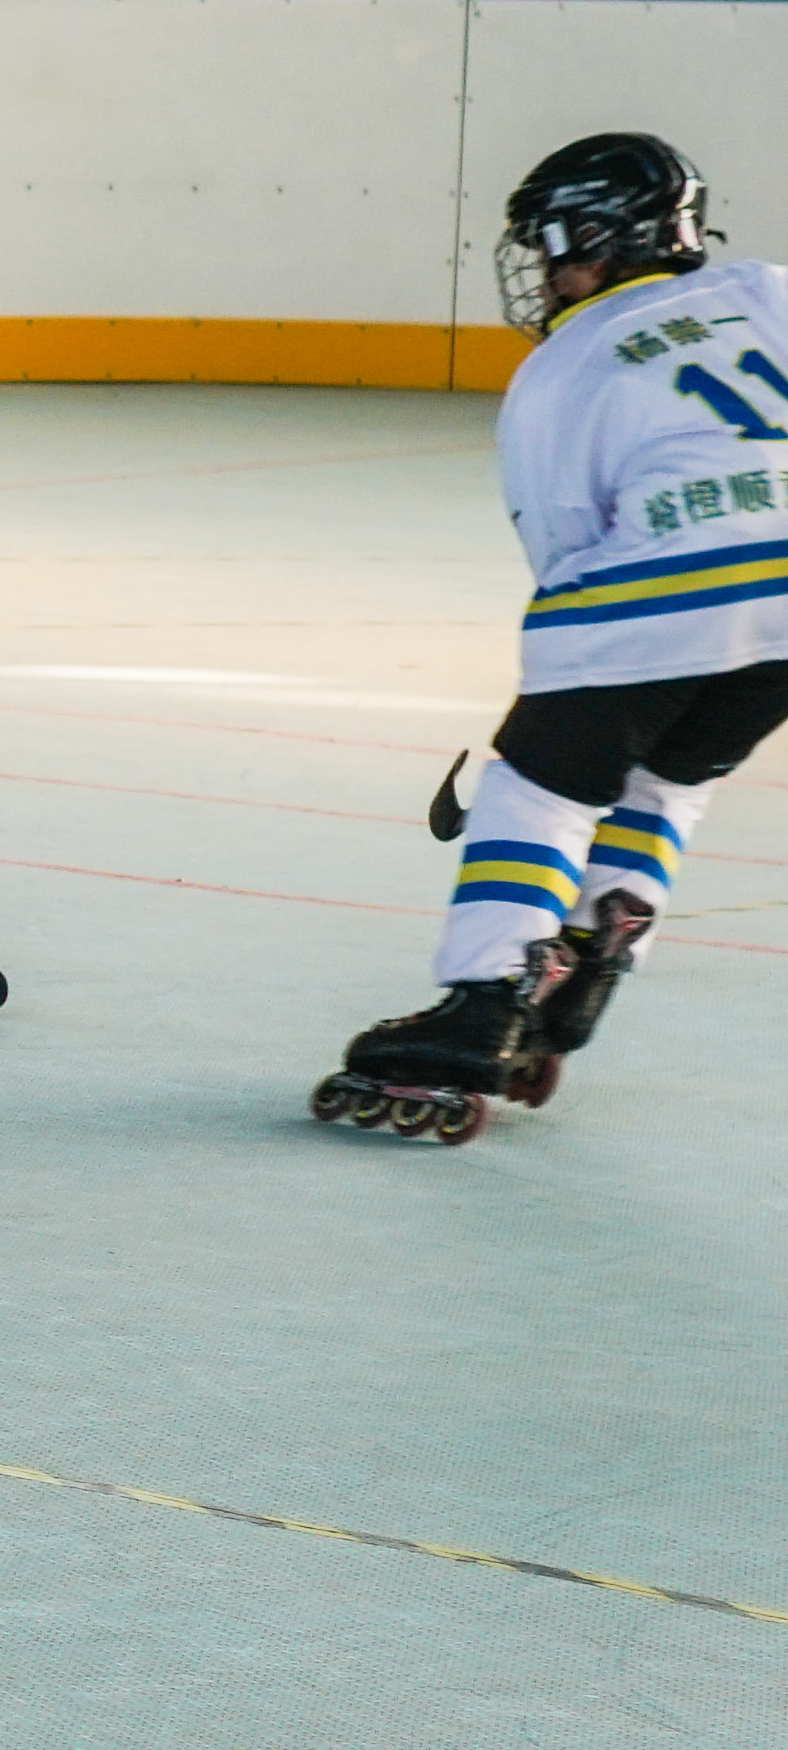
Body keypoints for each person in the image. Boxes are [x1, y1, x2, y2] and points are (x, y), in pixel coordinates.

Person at [317, 133, 788, 1136]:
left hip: (670, 575)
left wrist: (561, 720)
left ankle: (480, 1003)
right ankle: (583, 970)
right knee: (666, 778)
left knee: (541, 783)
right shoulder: (765, 289)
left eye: (550, 247)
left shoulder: (563, 363)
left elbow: (563, 548)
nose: (542, 270)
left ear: (595, 241)